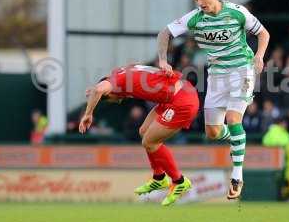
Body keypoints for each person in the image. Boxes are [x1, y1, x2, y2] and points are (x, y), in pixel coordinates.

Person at [157, 0, 270, 199]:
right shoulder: (196, 18)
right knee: (212, 132)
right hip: (216, 75)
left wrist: (259, 56)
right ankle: (238, 140)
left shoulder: (237, 12)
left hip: (242, 70)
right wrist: (163, 59)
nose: (200, 2)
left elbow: (263, 33)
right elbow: (165, 33)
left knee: (233, 118)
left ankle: (237, 176)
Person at [79, 64, 199, 206]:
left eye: (113, 99)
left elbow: (99, 89)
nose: (119, 100)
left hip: (182, 100)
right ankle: (159, 177)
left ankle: (179, 181)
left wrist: (88, 114)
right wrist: (96, 90)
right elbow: (102, 88)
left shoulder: (116, 82)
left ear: (109, 92)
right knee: (143, 132)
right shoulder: (121, 72)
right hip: (173, 96)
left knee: (149, 142)